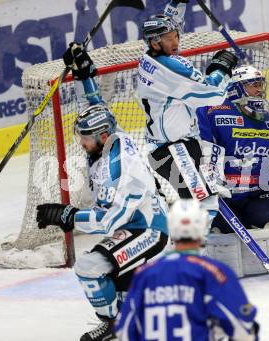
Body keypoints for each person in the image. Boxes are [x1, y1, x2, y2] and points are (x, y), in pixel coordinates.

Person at [35, 45, 169, 341]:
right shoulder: (111, 135)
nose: (81, 144)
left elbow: (108, 222)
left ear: (102, 137)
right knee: (116, 278)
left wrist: (67, 215)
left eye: (85, 139)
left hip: (148, 230)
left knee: (89, 267)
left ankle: (111, 326)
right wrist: (85, 72)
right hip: (133, 224)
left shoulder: (122, 169)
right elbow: (95, 103)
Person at [139, 0, 238, 222]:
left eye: (175, 35)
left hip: (180, 146)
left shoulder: (150, 56)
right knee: (204, 204)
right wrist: (221, 68)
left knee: (203, 202)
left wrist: (178, 2)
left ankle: (193, 247)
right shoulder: (170, 69)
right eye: (169, 38)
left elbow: (170, 21)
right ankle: (190, 252)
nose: (176, 40)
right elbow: (213, 94)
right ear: (155, 42)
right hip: (172, 151)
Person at [115, 199, 259, 341]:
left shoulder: (144, 274)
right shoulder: (214, 272)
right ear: (202, 226)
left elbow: (124, 331)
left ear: (171, 226)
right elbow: (244, 330)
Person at [196, 65, 269, 233]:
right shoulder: (214, 114)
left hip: (260, 195)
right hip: (223, 198)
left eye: (260, 85)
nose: (259, 90)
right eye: (253, 85)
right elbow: (203, 151)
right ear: (235, 89)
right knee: (218, 233)